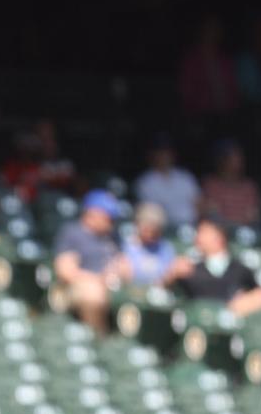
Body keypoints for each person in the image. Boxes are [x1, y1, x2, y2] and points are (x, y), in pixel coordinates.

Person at [53, 190, 123, 333]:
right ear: (92, 214)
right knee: (93, 293)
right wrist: (98, 280)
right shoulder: (72, 232)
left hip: (112, 284)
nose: (111, 223)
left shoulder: (112, 237)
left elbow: (123, 263)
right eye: (108, 218)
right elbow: (65, 271)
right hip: (78, 287)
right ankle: (97, 341)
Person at [169, 219, 261, 317]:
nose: (198, 236)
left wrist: (242, 304)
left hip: (233, 324)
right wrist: (172, 273)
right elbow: (164, 291)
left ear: (219, 236)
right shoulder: (190, 268)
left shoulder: (240, 269)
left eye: (204, 232)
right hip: (199, 323)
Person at [134, 135, 199, 228]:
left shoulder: (185, 177)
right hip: (162, 229)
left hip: (190, 226)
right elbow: (149, 212)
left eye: (167, 152)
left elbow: (198, 204)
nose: (164, 156)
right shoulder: (145, 182)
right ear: (152, 155)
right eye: (160, 153)